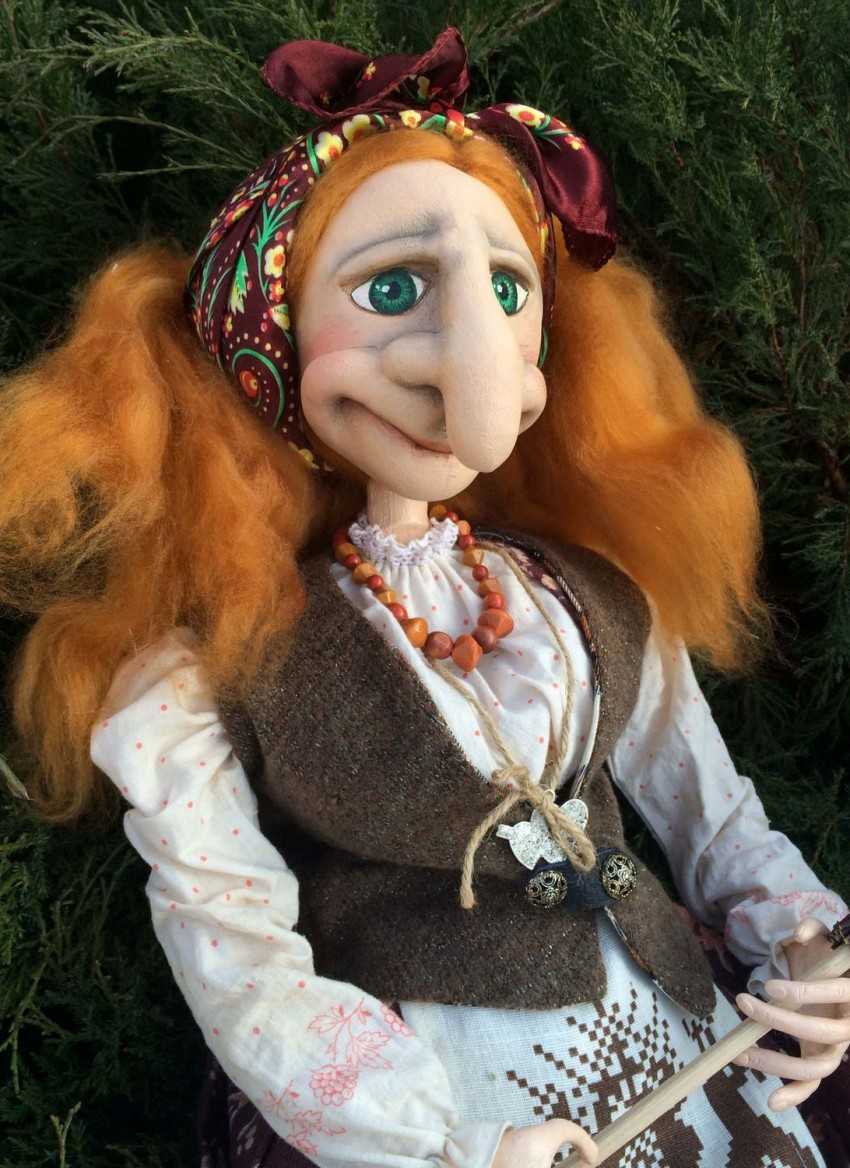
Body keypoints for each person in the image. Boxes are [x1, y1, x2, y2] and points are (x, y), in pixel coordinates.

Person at [3, 27, 848, 1168]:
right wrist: (437, 1139)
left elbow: (713, 814)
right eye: (391, 288)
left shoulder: (586, 593)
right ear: (271, 337)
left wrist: (805, 944)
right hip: (449, 1089)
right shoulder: (211, 667)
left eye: (507, 287)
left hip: (683, 1039)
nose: (468, 354)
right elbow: (237, 951)